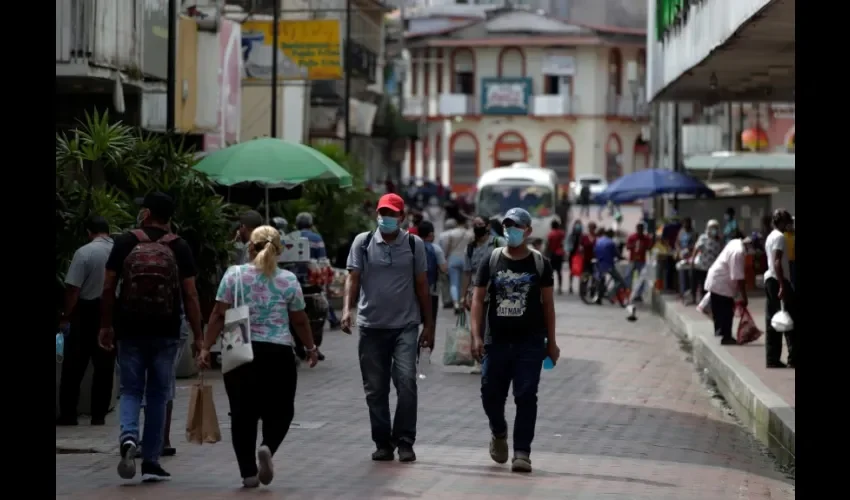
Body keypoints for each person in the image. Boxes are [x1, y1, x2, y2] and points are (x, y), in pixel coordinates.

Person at [197, 225, 318, 488]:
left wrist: (206, 348)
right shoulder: (288, 280)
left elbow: (218, 314)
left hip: (240, 352)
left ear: (249, 247)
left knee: (242, 415)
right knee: (282, 410)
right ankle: (267, 446)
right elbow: (299, 320)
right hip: (279, 353)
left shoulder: (234, 276)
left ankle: (249, 474)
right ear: (280, 250)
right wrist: (310, 348)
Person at [99, 192, 204, 482]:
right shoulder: (179, 246)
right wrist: (199, 336)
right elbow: (191, 294)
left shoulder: (125, 241)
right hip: (167, 331)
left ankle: (129, 437)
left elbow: (108, 287)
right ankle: (151, 458)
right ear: (169, 217)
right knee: (159, 393)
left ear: (146, 213)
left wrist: (106, 325)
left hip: (129, 329)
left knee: (131, 389)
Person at [342, 193, 435, 463]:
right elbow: (353, 278)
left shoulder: (414, 245)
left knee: (406, 382)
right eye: (383, 213)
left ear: (402, 218)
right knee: (375, 388)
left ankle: (405, 440)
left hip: (405, 326)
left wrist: (429, 325)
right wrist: (347, 309)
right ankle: (383, 442)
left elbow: (422, 286)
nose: (387, 218)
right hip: (371, 327)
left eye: (392, 214)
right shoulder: (363, 242)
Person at [470, 208, 559, 474]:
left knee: (526, 395)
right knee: (489, 393)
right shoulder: (492, 259)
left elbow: (548, 305)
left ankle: (522, 451)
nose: (512, 231)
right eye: (508, 226)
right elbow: (477, 299)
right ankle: (499, 431)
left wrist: (551, 343)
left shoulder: (540, 263)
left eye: (517, 227)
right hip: (496, 342)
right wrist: (475, 336)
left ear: (528, 231)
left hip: (529, 343)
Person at [57, 216, 115, 426]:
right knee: (105, 366)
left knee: (74, 365)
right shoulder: (120, 251)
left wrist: (66, 315)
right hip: (110, 312)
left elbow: (73, 289)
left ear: (90, 232)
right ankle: (98, 415)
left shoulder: (84, 252)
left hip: (86, 311)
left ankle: (68, 414)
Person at [462, 216, 507, 374]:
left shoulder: (497, 242)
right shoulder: (470, 247)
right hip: (476, 292)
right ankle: (479, 361)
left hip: (495, 291)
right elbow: (467, 273)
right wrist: (463, 295)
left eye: (480, 224)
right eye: (475, 224)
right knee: (477, 327)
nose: (477, 227)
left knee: (493, 326)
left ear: (488, 226)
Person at [704, 235, 752, 346]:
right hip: (721, 283)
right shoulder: (738, 252)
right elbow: (739, 278)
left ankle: (722, 332)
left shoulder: (735, 241)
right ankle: (726, 337)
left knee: (721, 309)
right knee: (726, 310)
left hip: (717, 279)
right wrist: (744, 297)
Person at [764, 209, 795, 368]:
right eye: (788, 221)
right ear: (782, 222)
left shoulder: (770, 236)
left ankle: (772, 359)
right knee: (790, 318)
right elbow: (777, 262)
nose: (789, 225)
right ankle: (792, 357)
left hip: (770, 279)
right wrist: (783, 285)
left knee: (773, 320)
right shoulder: (779, 237)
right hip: (778, 280)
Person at [417, 221, 448, 324]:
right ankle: (429, 339)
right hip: (432, 291)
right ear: (431, 234)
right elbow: (443, 269)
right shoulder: (436, 249)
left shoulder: (413, 246)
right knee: (430, 321)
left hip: (414, 290)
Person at [438, 218, 472, 312]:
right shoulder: (469, 234)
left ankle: (456, 303)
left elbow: (448, 247)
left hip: (453, 259)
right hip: (465, 259)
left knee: (454, 283)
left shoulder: (451, 233)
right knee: (464, 283)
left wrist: (445, 258)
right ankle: (462, 301)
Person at [691, 220, 723, 304]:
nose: (714, 230)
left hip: (711, 267)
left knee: (708, 286)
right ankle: (698, 300)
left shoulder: (718, 240)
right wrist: (692, 260)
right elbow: (696, 248)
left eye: (715, 228)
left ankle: (707, 301)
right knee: (700, 283)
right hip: (701, 265)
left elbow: (720, 253)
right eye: (712, 228)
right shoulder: (703, 238)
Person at [594, 228, 627, 300]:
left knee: (601, 279)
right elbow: (617, 254)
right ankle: (611, 294)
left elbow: (595, 250)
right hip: (608, 265)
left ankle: (599, 295)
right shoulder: (611, 243)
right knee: (620, 281)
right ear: (611, 235)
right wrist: (622, 258)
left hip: (599, 263)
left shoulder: (599, 240)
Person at [624, 223, 653, 299]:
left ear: (643, 230)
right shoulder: (632, 237)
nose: (640, 230)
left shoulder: (646, 238)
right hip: (632, 260)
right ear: (636, 229)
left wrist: (646, 245)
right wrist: (634, 245)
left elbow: (649, 248)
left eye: (641, 229)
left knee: (641, 277)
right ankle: (628, 291)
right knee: (628, 276)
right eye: (638, 229)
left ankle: (639, 294)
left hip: (641, 260)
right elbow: (627, 247)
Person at [675, 217, 697, 303]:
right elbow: (677, 242)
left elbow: (696, 244)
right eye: (685, 223)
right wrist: (679, 250)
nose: (686, 225)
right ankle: (682, 294)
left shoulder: (694, 233)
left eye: (688, 223)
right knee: (682, 276)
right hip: (682, 256)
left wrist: (689, 250)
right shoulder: (681, 232)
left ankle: (691, 295)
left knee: (690, 276)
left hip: (690, 257)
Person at [546, 220, 566, 294]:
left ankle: (552, 287)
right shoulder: (561, 233)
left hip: (553, 254)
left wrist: (547, 254)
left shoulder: (550, 234)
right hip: (560, 254)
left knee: (551, 272)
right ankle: (560, 288)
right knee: (559, 271)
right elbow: (563, 243)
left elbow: (548, 245)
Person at [565, 220, 584, 294]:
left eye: (579, 225)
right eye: (577, 225)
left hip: (580, 256)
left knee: (581, 272)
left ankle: (581, 287)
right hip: (572, 255)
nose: (578, 227)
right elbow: (567, 245)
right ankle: (570, 286)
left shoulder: (582, 236)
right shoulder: (571, 235)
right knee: (572, 271)